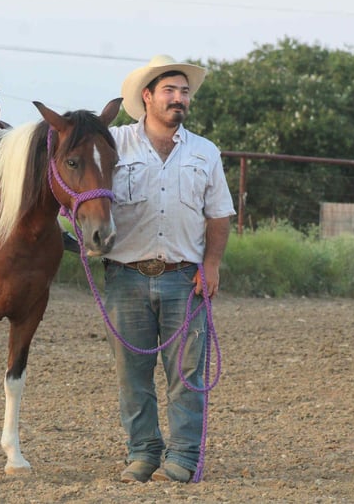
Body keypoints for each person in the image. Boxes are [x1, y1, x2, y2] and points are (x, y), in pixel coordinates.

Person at [103, 55, 235, 483]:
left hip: (185, 276)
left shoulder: (204, 151)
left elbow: (218, 214)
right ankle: (143, 452)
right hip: (125, 275)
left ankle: (183, 457)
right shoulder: (114, 143)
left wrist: (211, 264)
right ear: (147, 96)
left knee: (187, 373)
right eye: (170, 91)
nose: (179, 99)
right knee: (132, 374)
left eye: (184, 92)